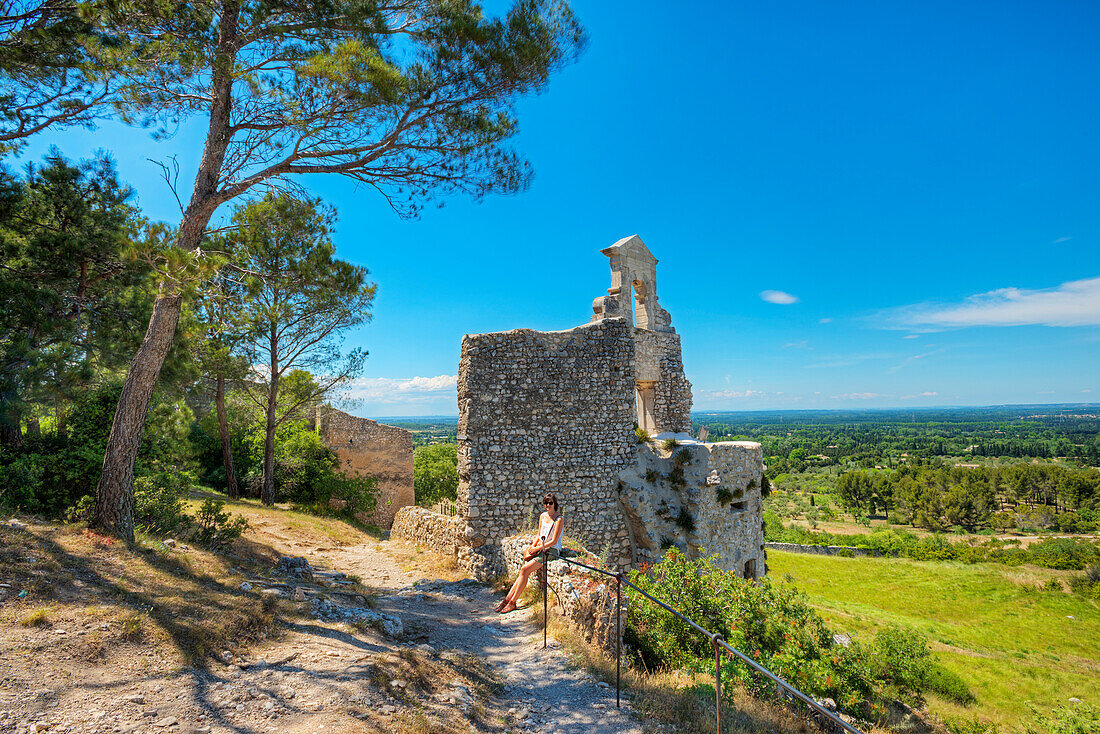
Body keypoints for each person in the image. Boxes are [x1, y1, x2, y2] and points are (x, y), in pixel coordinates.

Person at [494, 493, 564, 614]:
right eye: (546, 503)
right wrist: (532, 546)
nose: (548, 505)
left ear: (555, 504)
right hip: (540, 548)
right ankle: (507, 600)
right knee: (523, 570)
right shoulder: (543, 516)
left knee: (525, 570)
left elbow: (553, 541)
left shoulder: (559, 519)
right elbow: (539, 534)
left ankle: (512, 602)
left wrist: (538, 549)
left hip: (552, 550)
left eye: (550, 503)